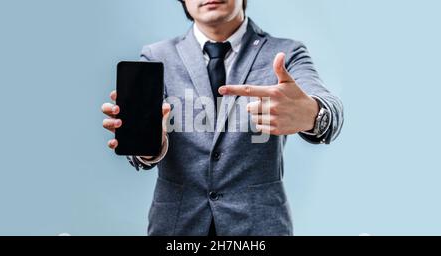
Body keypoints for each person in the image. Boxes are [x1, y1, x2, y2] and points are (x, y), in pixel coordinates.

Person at [101, 0, 343, 236]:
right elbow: (141, 145)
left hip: (260, 226)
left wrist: (313, 114)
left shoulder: (286, 53)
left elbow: (328, 106)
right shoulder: (157, 56)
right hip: (177, 226)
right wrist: (148, 145)